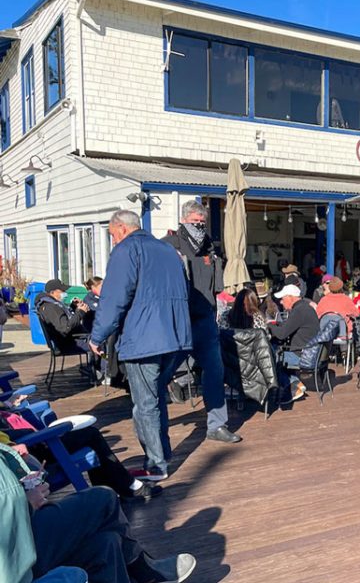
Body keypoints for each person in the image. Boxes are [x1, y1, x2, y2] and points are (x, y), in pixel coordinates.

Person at [90, 210, 192, 481]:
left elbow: (114, 298)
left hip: (145, 338)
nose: (113, 241)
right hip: (175, 337)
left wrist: (97, 336)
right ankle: (162, 455)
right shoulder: (169, 251)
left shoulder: (126, 251)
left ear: (122, 229)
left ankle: (156, 465)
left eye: (112, 235)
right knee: (156, 397)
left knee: (144, 404)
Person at [0, 444, 196, 583]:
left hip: (18, 535)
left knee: (105, 544)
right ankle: (142, 569)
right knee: (103, 499)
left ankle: (141, 571)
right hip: (12, 555)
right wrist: (27, 501)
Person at [162, 201, 241, 445]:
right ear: (184, 219)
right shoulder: (168, 245)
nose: (199, 224)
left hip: (206, 319)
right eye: (195, 220)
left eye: (202, 221)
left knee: (215, 372)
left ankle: (217, 425)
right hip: (177, 321)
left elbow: (215, 285)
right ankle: (155, 429)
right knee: (161, 374)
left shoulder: (209, 246)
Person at [1, 415, 161, 502]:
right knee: (90, 434)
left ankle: (111, 490)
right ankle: (124, 487)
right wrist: (9, 444)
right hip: (24, 454)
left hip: (19, 442)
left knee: (88, 435)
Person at [268, 285, 320, 402]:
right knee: (279, 352)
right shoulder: (305, 308)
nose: (281, 302)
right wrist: (277, 325)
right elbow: (289, 327)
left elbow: (281, 334)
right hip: (310, 351)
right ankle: (295, 383)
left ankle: (293, 385)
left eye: (283, 298)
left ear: (290, 297)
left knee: (270, 360)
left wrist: (270, 325)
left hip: (303, 355)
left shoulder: (299, 311)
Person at [35, 279, 91, 355]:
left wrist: (73, 307)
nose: (65, 293)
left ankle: (95, 364)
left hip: (68, 340)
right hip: (68, 343)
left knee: (96, 339)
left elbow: (64, 318)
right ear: (52, 293)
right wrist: (81, 312)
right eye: (62, 291)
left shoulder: (51, 304)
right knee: (99, 344)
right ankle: (101, 366)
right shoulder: (51, 308)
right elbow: (66, 328)